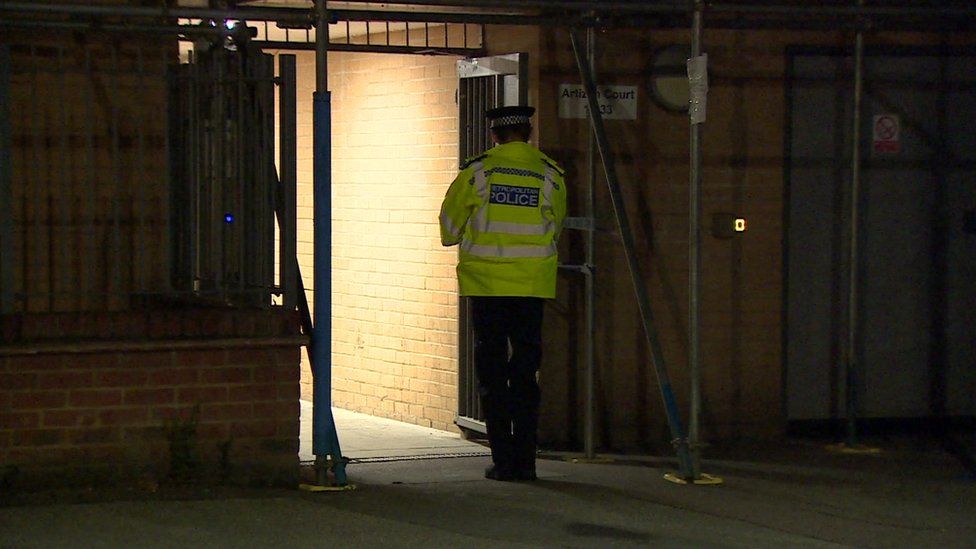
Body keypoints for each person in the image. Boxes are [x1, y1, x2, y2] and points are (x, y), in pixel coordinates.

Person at [439, 105, 567, 481]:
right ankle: (526, 462)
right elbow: (555, 227)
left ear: (494, 135)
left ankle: (503, 460)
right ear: (528, 132)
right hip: (531, 287)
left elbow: (449, 227)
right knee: (526, 375)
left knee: (492, 374)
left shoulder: (477, 172)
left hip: (488, 287)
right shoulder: (551, 174)